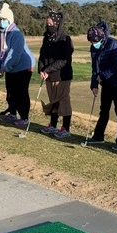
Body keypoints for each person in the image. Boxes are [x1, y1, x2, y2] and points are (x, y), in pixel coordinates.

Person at [87, 21, 117, 150]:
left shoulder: (114, 45)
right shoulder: (94, 47)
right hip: (106, 84)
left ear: (102, 37)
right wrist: (94, 84)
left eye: (96, 42)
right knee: (104, 110)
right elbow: (95, 67)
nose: (94, 45)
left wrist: (103, 76)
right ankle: (98, 137)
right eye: (92, 43)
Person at [0, 3, 34, 127]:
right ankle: (12, 114)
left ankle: (24, 117)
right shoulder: (0, 33)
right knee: (10, 91)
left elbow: (14, 54)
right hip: (10, 67)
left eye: (4, 19)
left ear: (9, 20)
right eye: (0, 19)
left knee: (21, 92)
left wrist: (4, 67)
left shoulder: (16, 34)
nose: (1, 22)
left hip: (23, 66)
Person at [38, 11, 74, 139]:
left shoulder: (65, 39)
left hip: (62, 76)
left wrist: (48, 69)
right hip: (48, 76)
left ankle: (65, 128)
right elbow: (42, 55)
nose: (48, 26)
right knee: (53, 102)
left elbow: (64, 60)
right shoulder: (46, 37)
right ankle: (52, 125)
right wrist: (41, 69)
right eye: (47, 24)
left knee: (63, 102)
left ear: (57, 24)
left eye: (50, 24)